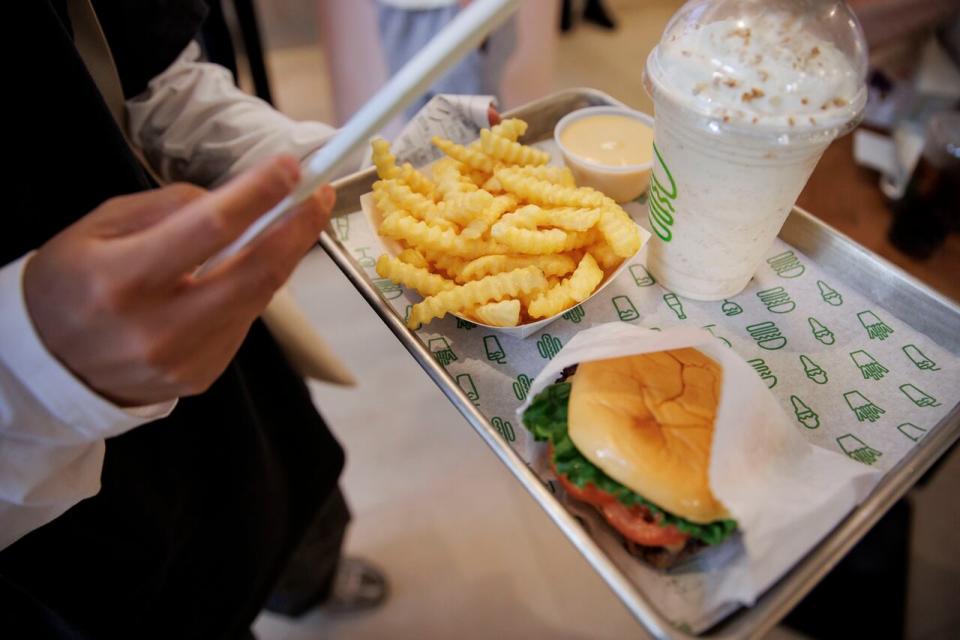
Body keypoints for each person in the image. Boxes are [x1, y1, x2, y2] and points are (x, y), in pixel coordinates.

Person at [0, 2, 384, 637]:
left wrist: (325, 167)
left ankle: (304, 578)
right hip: (45, 538)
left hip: (201, 315)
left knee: (285, 482)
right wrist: (28, 383)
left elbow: (157, 80)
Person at [376, 0, 517, 120]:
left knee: (472, 123)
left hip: (455, 10)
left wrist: (476, 11)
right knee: (419, 127)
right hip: (394, 10)